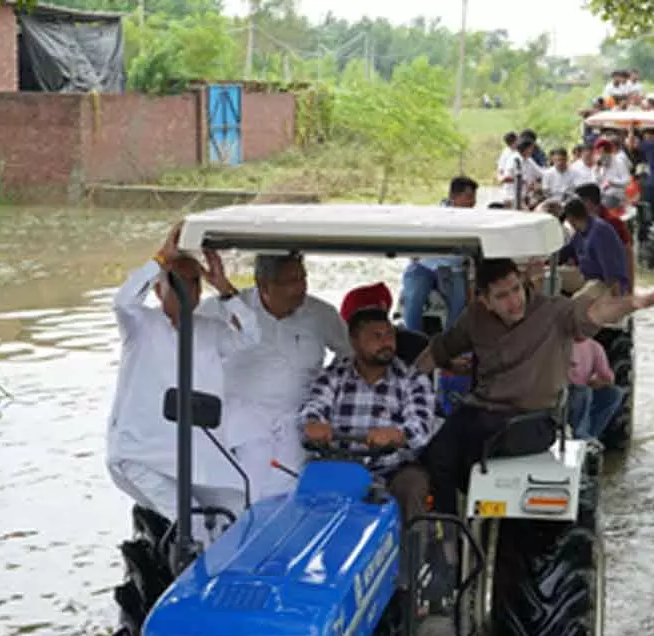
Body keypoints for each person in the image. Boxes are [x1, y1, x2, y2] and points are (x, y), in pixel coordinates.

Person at [415, 258, 654, 516]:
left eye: (516, 289)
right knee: (434, 453)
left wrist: (632, 304)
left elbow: (594, 312)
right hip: (481, 410)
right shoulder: (475, 318)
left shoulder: (554, 312)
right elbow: (440, 349)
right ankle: (445, 533)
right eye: (502, 296)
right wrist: (408, 377)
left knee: (472, 450)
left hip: (531, 420)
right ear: (485, 301)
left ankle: (487, 528)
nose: (514, 301)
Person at [106, 222, 258, 545]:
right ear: (159, 289)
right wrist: (161, 258)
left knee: (238, 515)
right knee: (194, 526)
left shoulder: (209, 330)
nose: (190, 290)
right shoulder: (140, 326)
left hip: (197, 458)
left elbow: (251, 336)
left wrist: (224, 286)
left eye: (194, 283)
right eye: (178, 282)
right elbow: (123, 301)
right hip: (142, 454)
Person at [197, 250, 350, 502]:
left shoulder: (322, 314)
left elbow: (348, 356)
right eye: (290, 282)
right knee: (244, 490)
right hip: (238, 420)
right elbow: (181, 342)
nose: (300, 288)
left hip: (297, 420)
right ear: (263, 285)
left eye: (302, 278)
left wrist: (325, 394)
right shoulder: (222, 310)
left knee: (286, 493)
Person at [299, 307, 435, 527]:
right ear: (354, 341)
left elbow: (420, 428)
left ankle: (409, 557)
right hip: (340, 463)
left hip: (391, 469)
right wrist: (313, 424)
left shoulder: (412, 378)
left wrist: (398, 435)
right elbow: (313, 406)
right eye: (376, 336)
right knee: (309, 489)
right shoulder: (335, 374)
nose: (386, 343)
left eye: (390, 335)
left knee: (413, 485)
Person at [399, 176, 475, 333]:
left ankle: (450, 344)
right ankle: (414, 340)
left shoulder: (473, 219)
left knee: (459, 301)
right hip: (424, 265)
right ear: (454, 197)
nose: (472, 202)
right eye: (468, 197)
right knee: (413, 295)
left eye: (474, 198)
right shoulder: (433, 215)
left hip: (452, 269)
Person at [559, 198, 630, 295]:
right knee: (550, 276)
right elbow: (566, 252)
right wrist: (546, 262)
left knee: (577, 301)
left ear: (570, 218)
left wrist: (616, 298)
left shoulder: (599, 231)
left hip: (604, 283)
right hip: (586, 275)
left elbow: (611, 269)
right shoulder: (580, 232)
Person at [568, 335, 626, 440]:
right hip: (562, 393)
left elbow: (607, 377)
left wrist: (599, 381)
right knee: (583, 391)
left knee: (615, 393)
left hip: (584, 392)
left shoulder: (594, 347)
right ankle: (580, 435)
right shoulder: (559, 346)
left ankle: (590, 435)